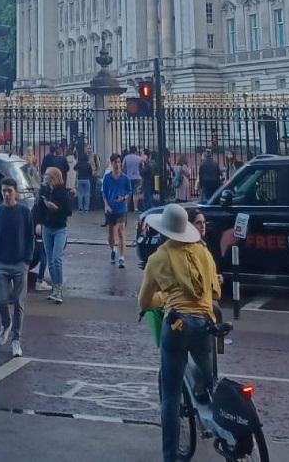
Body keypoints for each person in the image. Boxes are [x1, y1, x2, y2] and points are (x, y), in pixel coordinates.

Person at [137, 202, 221, 462]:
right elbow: (215, 292)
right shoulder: (203, 254)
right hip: (205, 321)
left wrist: (163, 298)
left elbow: (144, 302)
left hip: (177, 324)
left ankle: (170, 457)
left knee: (171, 395)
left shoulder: (157, 258)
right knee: (209, 377)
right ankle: (221, 420)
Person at [0, 176, 31, 357]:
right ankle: (6, 324)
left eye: (9, 191)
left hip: (20, 262)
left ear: (16, 192)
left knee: (19, 303)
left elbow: (30, 236)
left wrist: (27, 260)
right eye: (4, 191)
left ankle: (16, 339)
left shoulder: (24, 212)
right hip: (1, 262)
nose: (6, 194)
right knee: (1, 299)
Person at [33, 165, 71, 302]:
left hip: (60, 228)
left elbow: (68, 211)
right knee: (50, 260)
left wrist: (56, 208)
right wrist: (38, 222)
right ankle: (55, 288)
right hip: (47, 228)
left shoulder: (61, 192)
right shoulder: (44, 191)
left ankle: (59, 288)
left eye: (47, 175)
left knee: (56, 258)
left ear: (54, 177)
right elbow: (38, 209)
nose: (45, 177)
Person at [102, 153, 132, 269]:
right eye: (115, 162)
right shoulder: (107, 178)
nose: (117, 165)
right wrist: (106, 205)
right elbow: (104, 193)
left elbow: (129, 191)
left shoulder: (125, 178)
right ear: (112, 163)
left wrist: (124, 198)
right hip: (111, 208)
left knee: (121, 231)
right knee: (111, 234)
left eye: (119, 162)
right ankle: (113, 249)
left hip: (121, 208)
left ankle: (122, 258)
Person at [74, 144, 96, 212]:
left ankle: (80, 208)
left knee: (80, 194)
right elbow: (90, 172)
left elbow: (74, 168)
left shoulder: (79, 164)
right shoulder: (88, 164)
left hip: (80, 179)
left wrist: (78, 171)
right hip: (87, 180)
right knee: (87, 194)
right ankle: (86, 208)